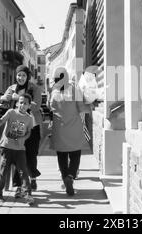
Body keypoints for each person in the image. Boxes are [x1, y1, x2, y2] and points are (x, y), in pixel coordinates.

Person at [48, 67, 92, 196]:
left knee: (61, 156)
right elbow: (82, 108)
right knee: (75, 154)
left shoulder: (54, 91)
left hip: (59, 128)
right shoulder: (74, 90)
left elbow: (50, 107)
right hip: (74, 127)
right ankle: (71, 176)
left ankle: (65, 176)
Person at [0, 65, 42, 196]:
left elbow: (36, 106)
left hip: (32, 126)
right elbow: (4, 99)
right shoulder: (12, 88)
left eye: (23, 75)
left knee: (31, 154)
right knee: (18, 155)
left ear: (27, 76)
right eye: (19, 75)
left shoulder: (34, 88)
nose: (21, 78)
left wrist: (18, 98)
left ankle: (32, 177)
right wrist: (2, 100)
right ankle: (18, 186)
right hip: (16, 127)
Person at [0, 94, 36, 206]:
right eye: (21, 102)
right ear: (17, 103)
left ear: (29, 105)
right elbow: (1, 121)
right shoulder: (11, 112)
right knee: (3, 171)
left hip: (20, 149)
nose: (22, 105)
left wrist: (23, 138)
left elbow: (29, 132)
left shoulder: (29, 118)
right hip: (6, 147)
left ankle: (27, 194)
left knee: (23, 172)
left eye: (25, 103)